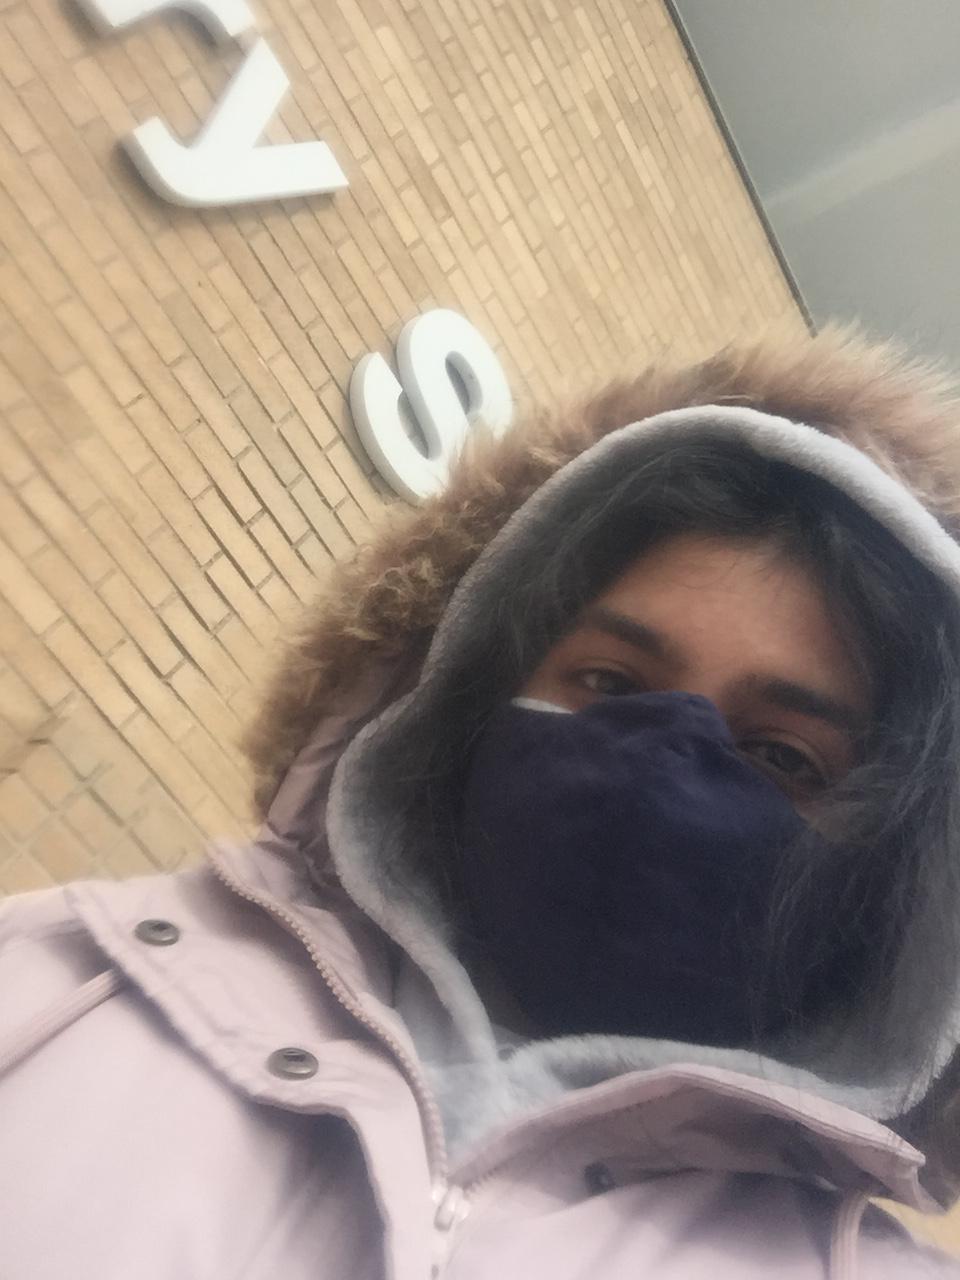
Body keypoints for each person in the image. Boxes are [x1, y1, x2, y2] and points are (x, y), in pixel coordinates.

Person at [3, 329, 960, 1280]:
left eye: (782, 754)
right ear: (464, 687)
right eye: (611, 683)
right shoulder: (61, 986)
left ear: (907, 884)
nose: (663, 761)